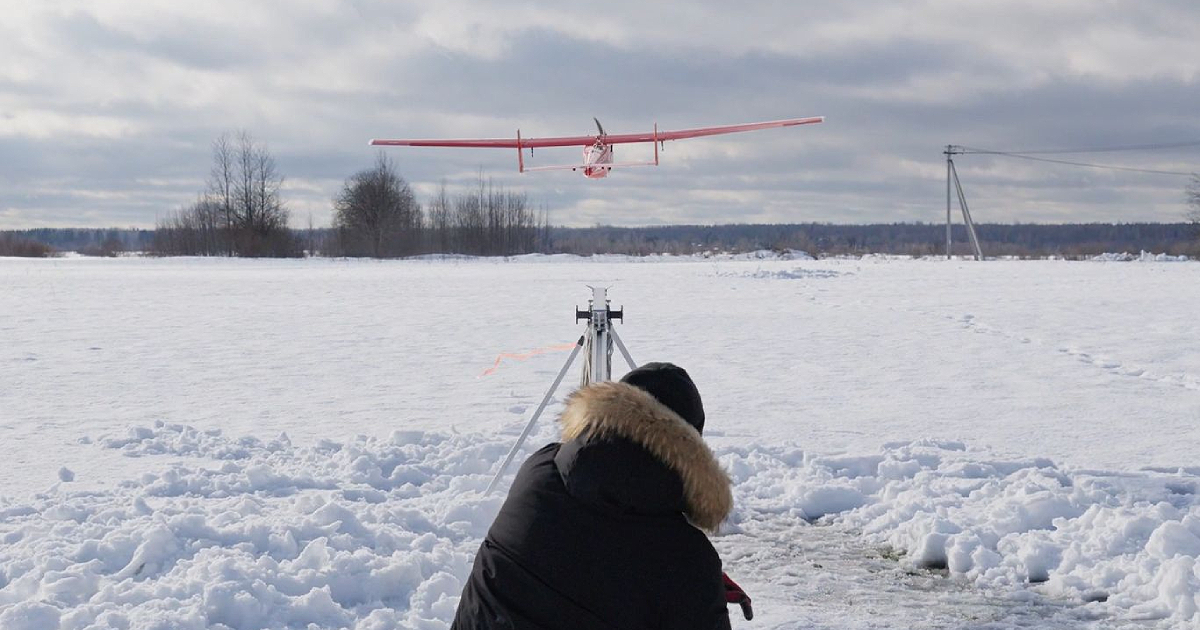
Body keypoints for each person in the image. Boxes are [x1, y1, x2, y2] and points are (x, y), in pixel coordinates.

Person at [452, 362, 739, 629]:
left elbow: (582, 556)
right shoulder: (687, 559)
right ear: (693, 454)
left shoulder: (540, 468)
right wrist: (695, 586)